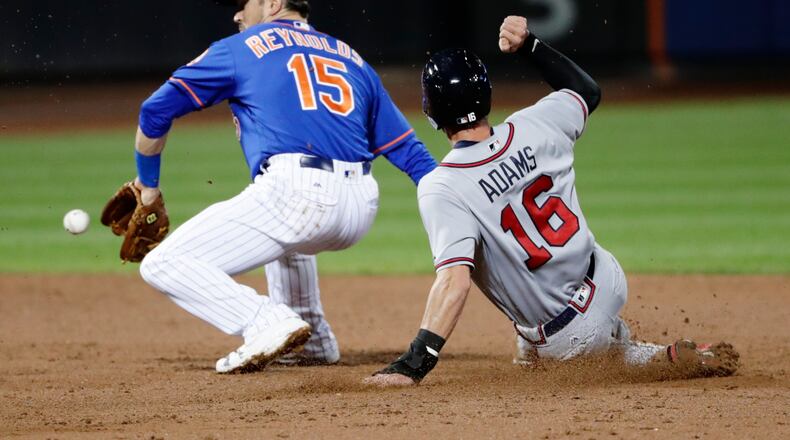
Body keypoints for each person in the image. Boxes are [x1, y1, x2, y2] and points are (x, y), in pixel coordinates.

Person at [365, 16, 739, 387]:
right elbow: (586, 91)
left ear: (431, 110)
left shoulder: (443, 185)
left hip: (567, 334)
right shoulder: (537, 122)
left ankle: (627, 350)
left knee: (542, 364)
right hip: (606, 277)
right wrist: (529, 45)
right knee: (564, 346)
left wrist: (413, 364)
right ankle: (653, 353)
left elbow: (453, 282)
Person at [129, 0, 436, 373]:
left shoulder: (239, 48)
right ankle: (314, 341)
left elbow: (154, 110)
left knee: (163, 263)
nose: (237, 15)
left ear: (272, 3)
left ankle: (265, 320)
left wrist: (148, 186)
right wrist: (451, 198)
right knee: (281, 231)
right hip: (361, 204)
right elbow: (407, 150)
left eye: (243, 4)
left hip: (298, 192)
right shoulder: (352, 58)